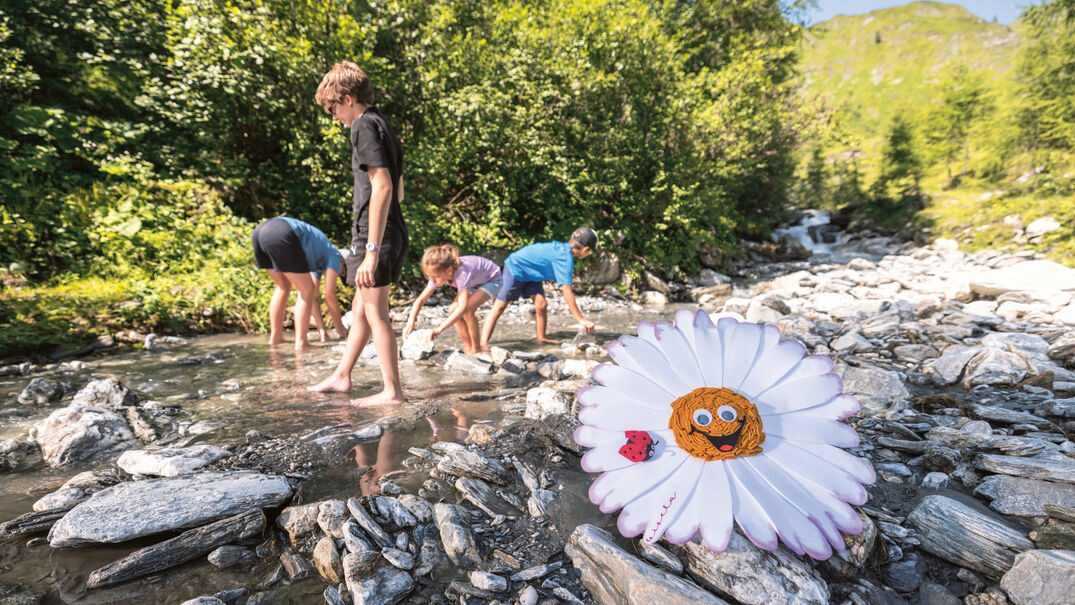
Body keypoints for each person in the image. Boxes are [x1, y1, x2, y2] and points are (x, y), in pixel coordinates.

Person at [309, 61, 409, 405]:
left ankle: (392, 392)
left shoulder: (363, 126)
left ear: (348, 99)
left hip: (373, 234)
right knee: (361, 306)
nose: (334, 116)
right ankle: (342, 374)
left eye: (333, 108)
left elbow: (381, 187)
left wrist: (371, 249)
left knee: (377, 314)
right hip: (388, 228)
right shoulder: (383, 123)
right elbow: (399, 190)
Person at [479, 227, 598, 351]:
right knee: (499, 306)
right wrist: (581, 319)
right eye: (590, 252)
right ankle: (482, 344)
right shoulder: (564, 258)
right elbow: (566, 291)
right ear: (586, 249)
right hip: (516, 268)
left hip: (532, 273)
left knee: (541, 304)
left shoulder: (563, 250)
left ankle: (541, 338)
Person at [251, 216, 347, 351]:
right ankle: (301, 343)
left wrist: (322, 331)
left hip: (260, 232)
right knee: (306, 290)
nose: (338, 274)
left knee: (283, 287)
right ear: (343, 262)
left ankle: (276, 336)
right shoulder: (335, 255)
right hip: (281, 231)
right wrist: (340, 329)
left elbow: (314, 297)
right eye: (342, 273)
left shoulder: (319, 261)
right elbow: (329, 295)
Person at [403, 245, 501, 355]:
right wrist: (410, 322)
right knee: (452, 310)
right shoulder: (437, 274)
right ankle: (469, 347)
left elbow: (463, 307)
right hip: (474, 282)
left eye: (435, 277)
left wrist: (439, 329)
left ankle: (476, 349)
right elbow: (420, 300)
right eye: (428, 277)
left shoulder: (461, 273)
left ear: (449, 270)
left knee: (468, 310)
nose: (432, 280)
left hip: (492, 280)